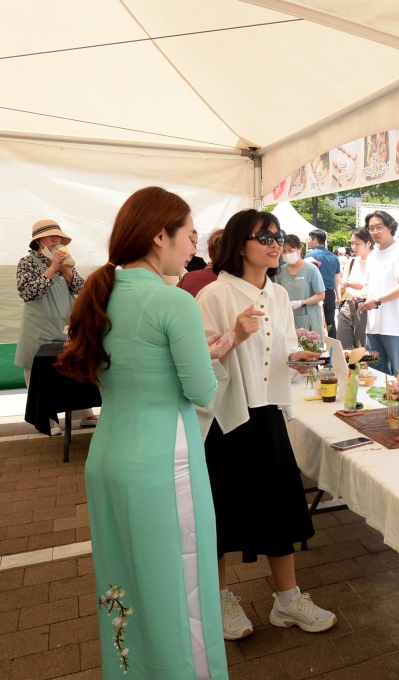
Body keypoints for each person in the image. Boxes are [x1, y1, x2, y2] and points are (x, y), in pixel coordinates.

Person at [57, 186, 236, 678]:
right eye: (189, 233)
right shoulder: (172, 300)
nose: (194, 245)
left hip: (109, 459)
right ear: (161, 236)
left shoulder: (102, 291)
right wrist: (212, 354)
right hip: (166, 467)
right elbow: (199, 390)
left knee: (126, 582)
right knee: (181, 589)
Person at [196, 209, 335, 640]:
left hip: (269, 412)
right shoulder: (214, 295)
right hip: (228, 418)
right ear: (241, 245)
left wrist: (298, 357)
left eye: (279, 236)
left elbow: (284, 348)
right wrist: (234, 335)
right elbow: (197, 366)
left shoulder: (276, 294)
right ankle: (218, 599)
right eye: (264, 236)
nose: (276, 244)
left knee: (279, 505)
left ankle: (288, 600)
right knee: (221, 510)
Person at [16, 219, 86, 435]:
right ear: (38, 241)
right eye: (51, 237)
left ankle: (84, 413)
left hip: (64, 327)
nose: (57, 241)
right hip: (39, 329)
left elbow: (82, 290)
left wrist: (66, 271)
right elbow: (28, 292)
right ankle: (46, 418)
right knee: (39, 375)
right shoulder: (27, 262)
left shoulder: (65, 263)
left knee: (73, 368)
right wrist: (52, 267)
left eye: (59, 238)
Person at [357, 210, 399, 376]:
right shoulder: (372, 256)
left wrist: (377, 301)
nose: (375, 232)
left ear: (390, 227)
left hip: (396, 325)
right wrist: (361, 294)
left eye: (379, 227)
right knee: (375, 375)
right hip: (373, 325)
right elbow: (371, 286)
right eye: (371, 228)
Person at [275, 234, 326, 337]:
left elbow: (321, 295)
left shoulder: (311, 269)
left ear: (299, 250)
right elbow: (277, 293)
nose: (287, 254)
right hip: (288, 318)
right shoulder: (281, 271)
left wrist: (302, 302)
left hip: (309, 318)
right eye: (284, 251)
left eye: (291, 250)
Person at [337, 227, 372, 349]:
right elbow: (342, 289)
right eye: (352, 243)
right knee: (343, 346)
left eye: (357, 243)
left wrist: (360, 287)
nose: (354, 247)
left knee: (361, 347)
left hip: (364, 305)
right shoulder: (351, 262)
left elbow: (375, 287)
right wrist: (343, 287)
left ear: (368, 243)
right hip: (347, 305)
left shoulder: (375, 262)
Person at [305, 229, 340, 339]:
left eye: (310, 239)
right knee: (330, 324)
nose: (308, 241)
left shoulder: (309, 256)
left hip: (314, 294)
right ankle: (333, 350)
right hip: (330, 294)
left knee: (313, 324)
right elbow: (337, 280)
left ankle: (315, 349)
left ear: (315, 240)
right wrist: (338, 296)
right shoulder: (334, 257)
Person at [179, 229, 223, 297]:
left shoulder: (187, 278)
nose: (194, 251)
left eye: (195, 245)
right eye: (191, 243)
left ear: (209, 252)